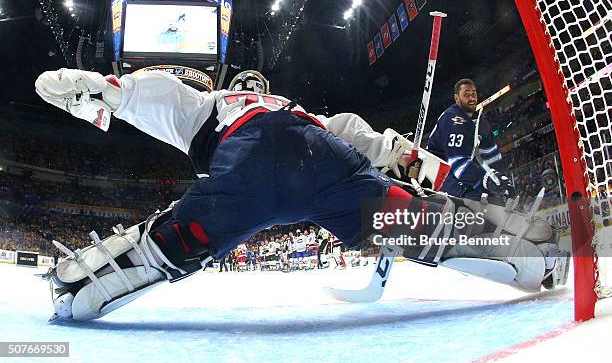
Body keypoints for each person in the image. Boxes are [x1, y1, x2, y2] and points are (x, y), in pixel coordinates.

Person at [36, 68, 567, 321]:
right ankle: (536, 257)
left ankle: (78, 290)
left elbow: (161, 98)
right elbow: (385, 146)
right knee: (416, 221)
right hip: (323, 159)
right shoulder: (303, 108)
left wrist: (108, 93)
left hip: (247, 163)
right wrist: (433, 172)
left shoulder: (216, 102)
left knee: (178, 239)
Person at [427, 78, 513, 200]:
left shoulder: (480, 121)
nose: (472, 98)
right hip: (437, 170)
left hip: (460, 167)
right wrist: (486, 180)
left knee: (493, 195)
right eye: (466, 95)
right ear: (457, 98)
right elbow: (457, 162)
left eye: (473, 94)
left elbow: (492, 156)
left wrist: (502, 181)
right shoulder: (452, 119)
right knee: (473, 198)